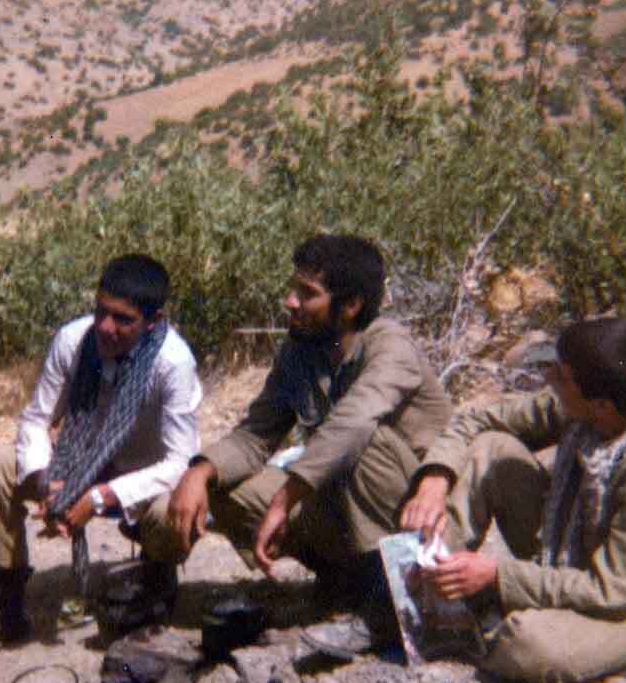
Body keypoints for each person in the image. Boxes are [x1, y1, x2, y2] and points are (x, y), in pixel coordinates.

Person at [400, 317, 626, 683]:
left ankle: (480, 613)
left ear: (602, 406)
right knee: (491, 449)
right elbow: (478, 421)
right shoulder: (588, 404)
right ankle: (428, 595)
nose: (550, 378)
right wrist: (436, 477)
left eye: (561, 376)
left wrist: (499, 576)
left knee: (529, 645)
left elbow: (613, 593)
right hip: (570, 548)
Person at [163, 234, 451, 595]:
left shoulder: (390, 346)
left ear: (351, 305)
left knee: (364, 443)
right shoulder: (301, 351)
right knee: (225, 486)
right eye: (293, 289)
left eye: (307, 293)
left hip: (425, 511)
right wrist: (201, 471)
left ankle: (397, 593)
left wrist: (284, 500)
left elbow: (351, 425)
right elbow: (255, 435)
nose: (291, 301)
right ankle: (345, 581)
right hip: (341, 501)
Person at [0, 254, 202, 649]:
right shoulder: (74, 340)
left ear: (153, 320)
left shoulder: (173, 363)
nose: (106, 327)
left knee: (172, 507)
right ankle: (5, 600)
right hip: (74, 465)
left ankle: (156, 579)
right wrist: (44, 479)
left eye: (123, 319)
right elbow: (37, 418)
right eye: (101, 312)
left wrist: (100, 497)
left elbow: (180, 462)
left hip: (138, 477)